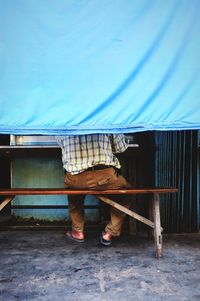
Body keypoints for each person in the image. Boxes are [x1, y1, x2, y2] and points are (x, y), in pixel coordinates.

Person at [56, 134, 132, 246]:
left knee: (74, 198)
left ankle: (78, 231)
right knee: (126, 193)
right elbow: (121, 148)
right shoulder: (106, 119)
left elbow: (61, 144)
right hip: (103, 177)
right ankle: (110, 232)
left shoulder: (64, 122)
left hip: (74, 178)